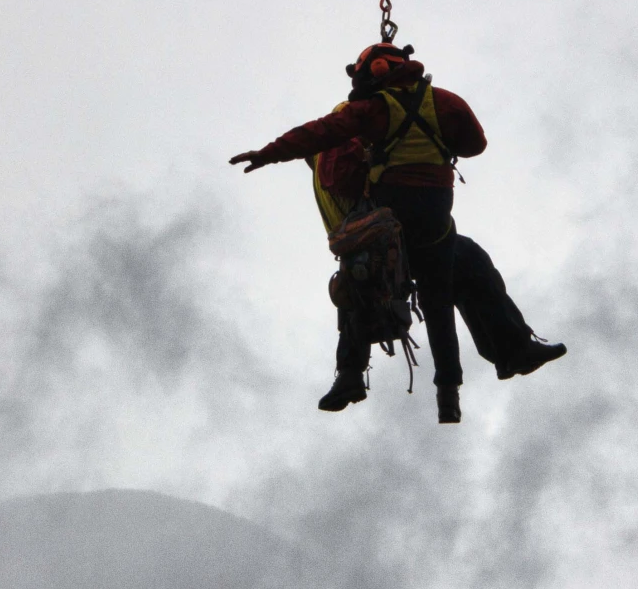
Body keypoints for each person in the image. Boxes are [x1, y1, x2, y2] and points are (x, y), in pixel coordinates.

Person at [231, 42, 565, 422]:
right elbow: (475, 144)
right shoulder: (444, 102)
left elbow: (318, 133)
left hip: (384, 233)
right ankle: (484, 371)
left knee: (363, 283)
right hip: (434, 226)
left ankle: (352, 376)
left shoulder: (366, 115)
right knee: (452, 284)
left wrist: (269, 153)